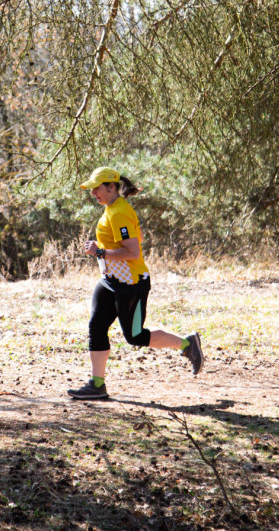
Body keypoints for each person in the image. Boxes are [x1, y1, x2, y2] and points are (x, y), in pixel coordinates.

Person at [67, 166, 204, 400]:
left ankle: (187, 344)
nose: (93, 194)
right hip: (111, 280)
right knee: (96, 325)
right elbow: (137, 237)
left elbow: (132, 251)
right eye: (91, 190)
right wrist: (105, 255)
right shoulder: (114, 209)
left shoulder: (119, 211)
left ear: (111, 186)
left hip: (131, 283)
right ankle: (97, 384)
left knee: (135, 336)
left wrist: (100, 252)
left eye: (97, 189)